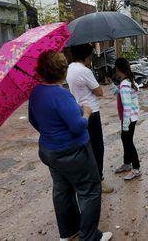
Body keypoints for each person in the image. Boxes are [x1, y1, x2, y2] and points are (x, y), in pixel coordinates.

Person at [28, 50, 112, 241]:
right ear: (62, 71)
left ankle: (68, 232)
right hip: (72, 152)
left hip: (49, 151)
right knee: (90, 191)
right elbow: (77, 126)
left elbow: (34, 120)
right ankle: (90, 237)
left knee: (62, 190)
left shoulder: (35, 92)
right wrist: (87, 112)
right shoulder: (61, 95)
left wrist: (52, 132)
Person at [66, 43, 114, 193]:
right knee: (97, 148)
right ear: (86, 56)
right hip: (91, 112)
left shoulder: (70, 68)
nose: (92, 58)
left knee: (85, 147)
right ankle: (98, 180)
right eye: (91, 55)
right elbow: (99, 92)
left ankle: (86, 178)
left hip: (78, 110)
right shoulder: (85, 71)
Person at [110, 58, 141, 180]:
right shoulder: (128, 81)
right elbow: (120, 93)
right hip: (130, 118)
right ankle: (127, 163)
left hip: (128, 118)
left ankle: (136, 168)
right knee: (125, 139)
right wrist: (112, 85)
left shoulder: (125, 85)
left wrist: (125, 125)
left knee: (129, 142)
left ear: (118, 69)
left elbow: (127, 107)